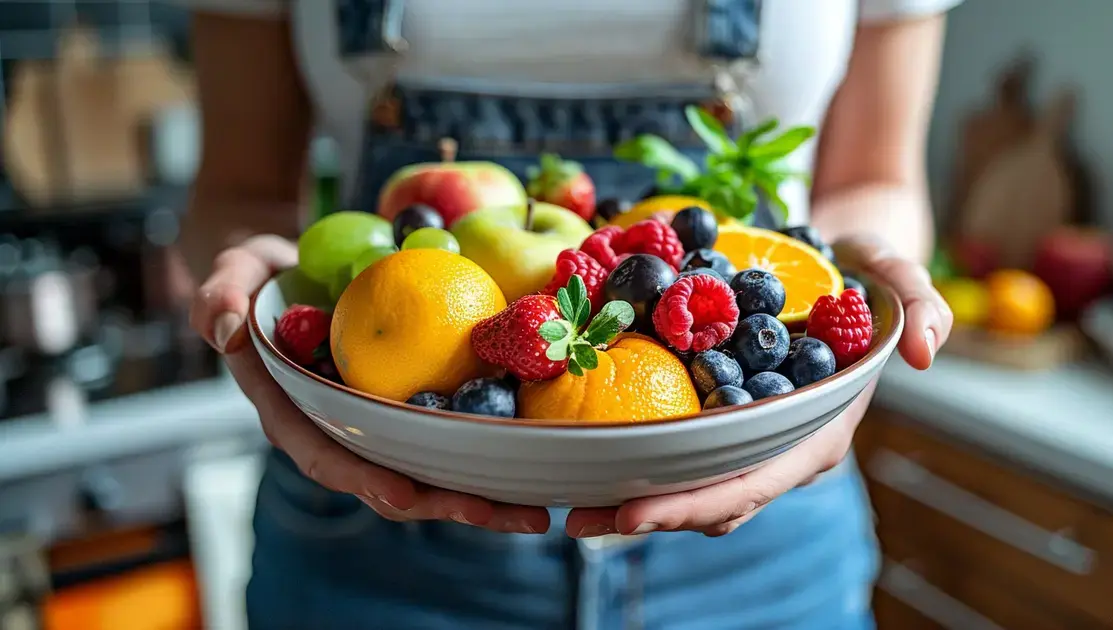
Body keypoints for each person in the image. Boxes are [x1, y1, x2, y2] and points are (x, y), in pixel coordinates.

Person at [182, 1, 957, 628]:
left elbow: (874, 180)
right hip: (373, 526)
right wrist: (251, 298)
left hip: (766, 533)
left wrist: (862, 315)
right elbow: (236, 190)